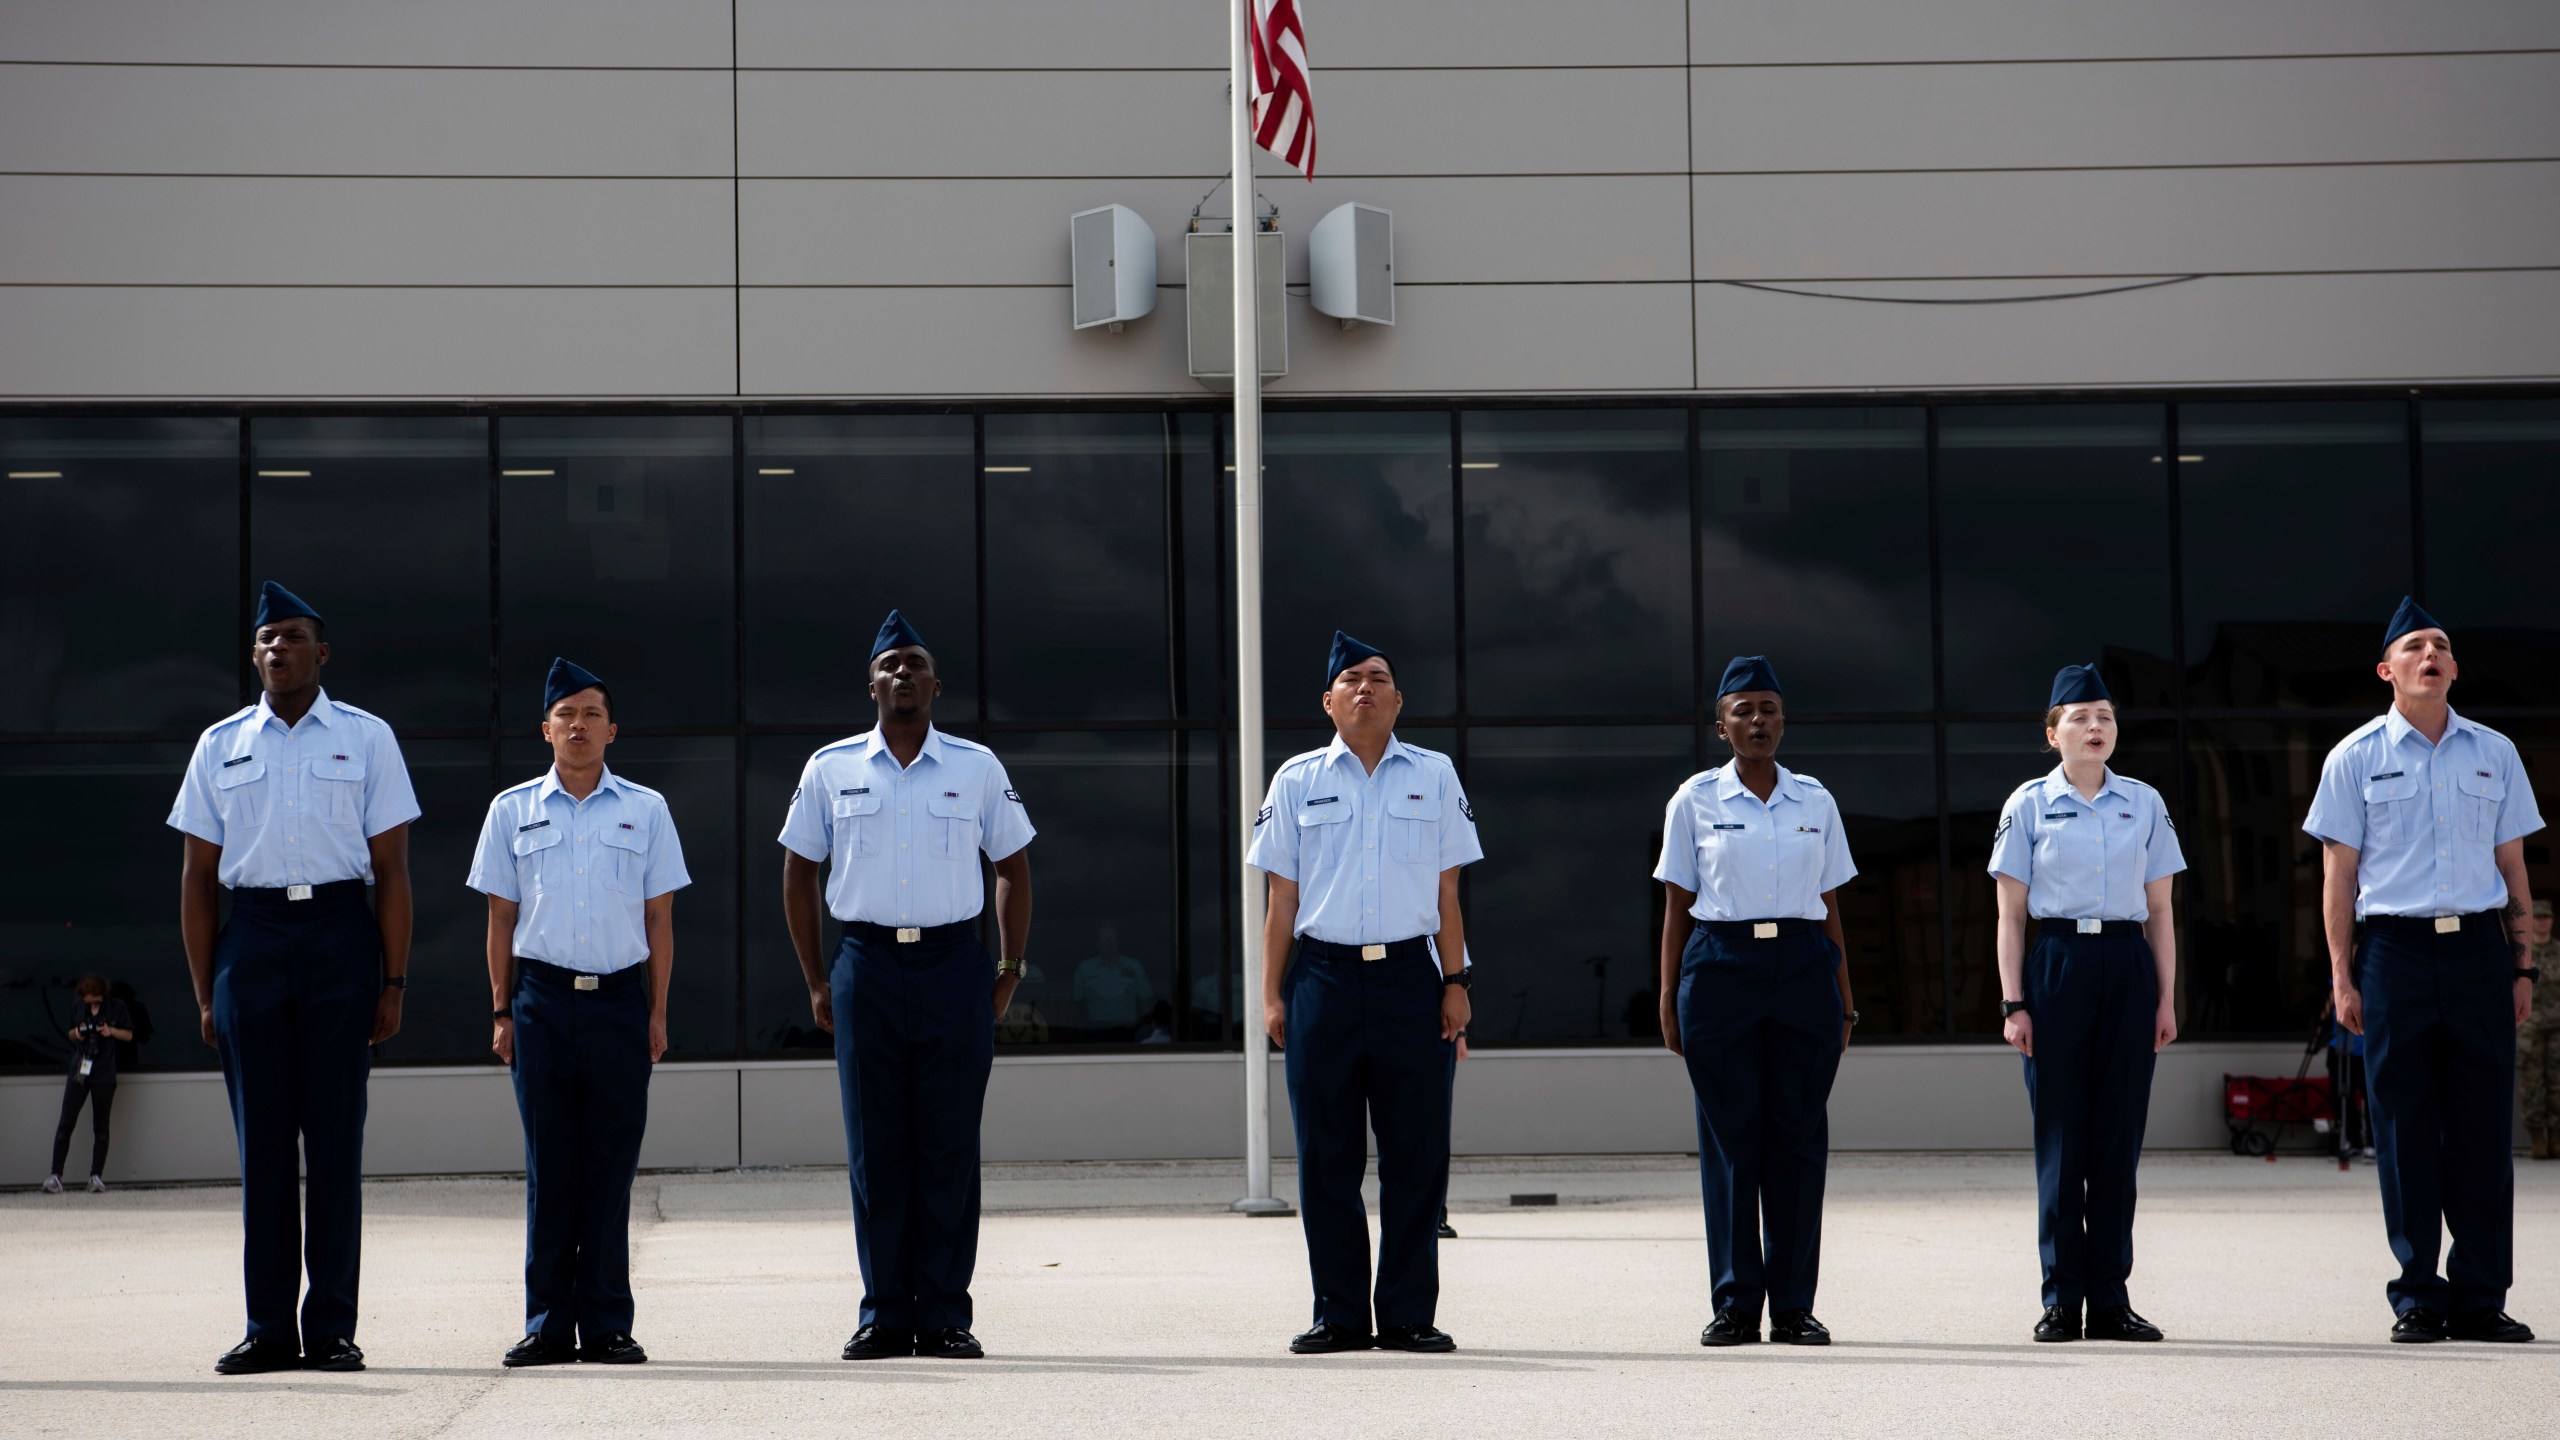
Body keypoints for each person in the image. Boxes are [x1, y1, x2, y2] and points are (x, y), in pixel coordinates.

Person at [167, 581, 418, 1375]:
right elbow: (197, 879)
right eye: (267, 637)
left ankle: (333, 1329)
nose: (279, 648)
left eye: (294, 636)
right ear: (254, 653)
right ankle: (269, 1327)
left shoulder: (367, 737)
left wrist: (395, 981)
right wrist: (209, 991)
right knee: (265, 1149)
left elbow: (393, 869)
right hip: (257, 939)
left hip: (342, 936)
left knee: (336, 1143)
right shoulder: (220, 744)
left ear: (323, 652)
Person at [779, 610, 1034, 1361]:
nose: (902, 675)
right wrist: (818, 978)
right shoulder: (830, 768)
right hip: (866, 965)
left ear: (936, 686)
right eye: (890, 665)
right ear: (871, 686)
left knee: (949, 1144)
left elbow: (1013, 868)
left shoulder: (976, 767)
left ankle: (947, 1314)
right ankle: (886, 1314)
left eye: (915, 664)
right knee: (876, 1147)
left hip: (956, 966)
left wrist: (1007, 971)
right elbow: (798, 871)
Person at [2304, 597, 2542, 1344]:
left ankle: (2480, 1297)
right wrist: (2343, 976)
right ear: (2388, 670)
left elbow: (2514, 867)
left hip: (2478, 950)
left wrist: (2524, 964)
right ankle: (2418, 1297)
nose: (2431, 654)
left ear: (2453, 669)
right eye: (2415, 646)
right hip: (2394, 955)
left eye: (2441, 644)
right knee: (2404, 1128)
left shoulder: (2494, 752)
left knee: (2480, 1128)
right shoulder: (2354, 757)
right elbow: (2338, 878)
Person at [1249, 631, 1480, 1355]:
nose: (1365, 688)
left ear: (1398, 698)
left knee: (1416, 1155)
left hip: (1412, 981)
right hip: (1322, 979)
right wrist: (1271, 996)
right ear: (1329, 700)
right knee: (1327, 1157)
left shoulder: (1436, 774)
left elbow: (1448, 891)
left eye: (1378, 677)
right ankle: (1340, 1314)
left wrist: (1456, 982)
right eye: (1351, 679)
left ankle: (1409, 1314)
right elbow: (1280, 900)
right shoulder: (1294, 780)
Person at [467, 658, 689, 1369]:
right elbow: (501, 919)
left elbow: (660, 920)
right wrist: (502, 1011)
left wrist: (657, 1011)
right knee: (550, 1166)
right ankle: (546, 1325)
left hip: (621, 1001)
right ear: (545, 730)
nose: (579, 725)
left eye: (592, 713)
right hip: (540, 1001)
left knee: (610, 1165)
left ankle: (608, 1325)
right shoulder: (511, 810)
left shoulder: (647, 809)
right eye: (566, 714)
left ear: (612, 729)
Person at [1654, 655, 1857, 1348]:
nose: (1758, 720)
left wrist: (1845, 996)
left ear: (1783, 720)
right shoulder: (1693, 802)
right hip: (1719, 969)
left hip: (1803, 968)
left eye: (1768, 708)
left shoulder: (1816, 802)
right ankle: (1737, 1306)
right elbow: (1677, 905)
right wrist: (1667, 997)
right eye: (1743, 710)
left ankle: (1795, 1307)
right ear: (1721, 727)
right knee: (1732, 1141)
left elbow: (1829, 903)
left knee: (1798, 1138)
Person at [1987, 664, 2185, 1344]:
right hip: (2059, 964)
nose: (2095, 727)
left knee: (2118, 1140)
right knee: (2062, 1140)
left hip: (2128, 964)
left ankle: (2109, 1299)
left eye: (2104, 716)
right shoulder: (2028, 806)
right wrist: (2015, 1001)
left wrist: (2165, 998)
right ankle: (2059, 1298)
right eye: (2079, 717)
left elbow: (2161, 910)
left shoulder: (2145, 803)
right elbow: (2010, 916)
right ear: (2052, 734)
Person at [44, 974, 134, 1193]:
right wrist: (77, 1034)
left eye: (97, 1001)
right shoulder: (77, 1007)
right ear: (83, 998)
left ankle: (96, 1176)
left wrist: (109, 1031)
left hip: (104, 1070)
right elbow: (70, 1033)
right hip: (81, 1068)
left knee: (101, 1126)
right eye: (89, 1001)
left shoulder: (117, 1007)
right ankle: (55, 1175)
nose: (93, 1004)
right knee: (66, 1122)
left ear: (104, 995)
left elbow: (129, 1035)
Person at [2524, 900, 2560, 1160]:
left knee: (2557, 1084)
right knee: (2532, 1084)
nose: (2542, 922)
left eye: (2546, 917)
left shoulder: (2559, 951)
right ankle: (2537, 1139)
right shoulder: (2524, 954)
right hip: (2531, 1030)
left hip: (2557, 1028)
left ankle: (2556, 1138)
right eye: (2537, 917)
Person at [1072, 924, 1155, 1037]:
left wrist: (1141, 1030)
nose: (1108, 941)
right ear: (1097, 943)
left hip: (1128, 1031)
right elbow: (1077, 1005)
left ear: (1119, 942)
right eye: (1104, 938)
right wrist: (1082, 1034)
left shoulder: (1134, 966)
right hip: (1095, 1033)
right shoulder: (1084, 969)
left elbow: (1146, 1000)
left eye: (1112, 937)